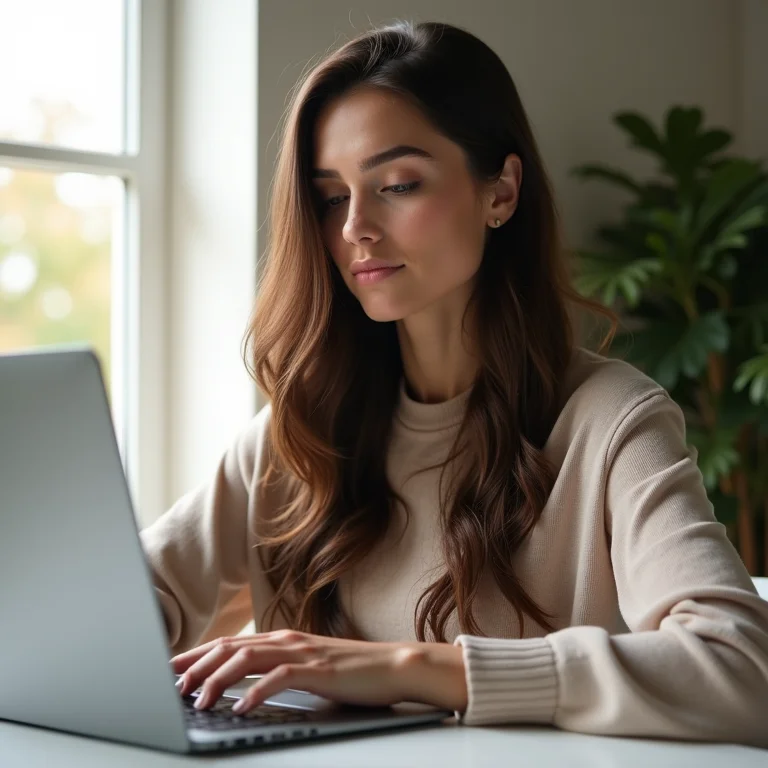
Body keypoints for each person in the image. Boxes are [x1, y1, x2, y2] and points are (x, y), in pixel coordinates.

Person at [140, 19, 768, 746]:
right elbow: (132, 600)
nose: (356, 228)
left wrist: (412, 668)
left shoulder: (609, 421)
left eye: (398, 184)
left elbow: (743, 668)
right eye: (332, 197)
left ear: (500, 191)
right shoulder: (301, 434)